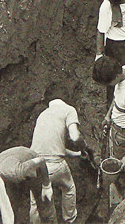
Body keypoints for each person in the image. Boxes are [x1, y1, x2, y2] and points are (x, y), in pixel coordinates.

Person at [29, 85, 90, 223]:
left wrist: (77, 154)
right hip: (55, 166)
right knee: (68, 188)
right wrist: (84, 147)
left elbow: (53, 148)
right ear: (65, 99)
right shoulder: (68, 110)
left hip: (35, 167)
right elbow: (75, 137)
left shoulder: (42, 115)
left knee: (36, 203)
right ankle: (70, 219)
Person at [92, 56, 125, 190]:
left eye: (107, 83)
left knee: (124, 168)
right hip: (117, 129)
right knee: (115, 157)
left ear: (115, 77)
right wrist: (108, 116)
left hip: (124, 135)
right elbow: (117, 98)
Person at [0, 146, 55, 224]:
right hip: (8, 163)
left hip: (30, 160)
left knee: (44, 205)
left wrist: (46, 185)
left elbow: (41, 160)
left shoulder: (17, 172)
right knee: (17, 207)